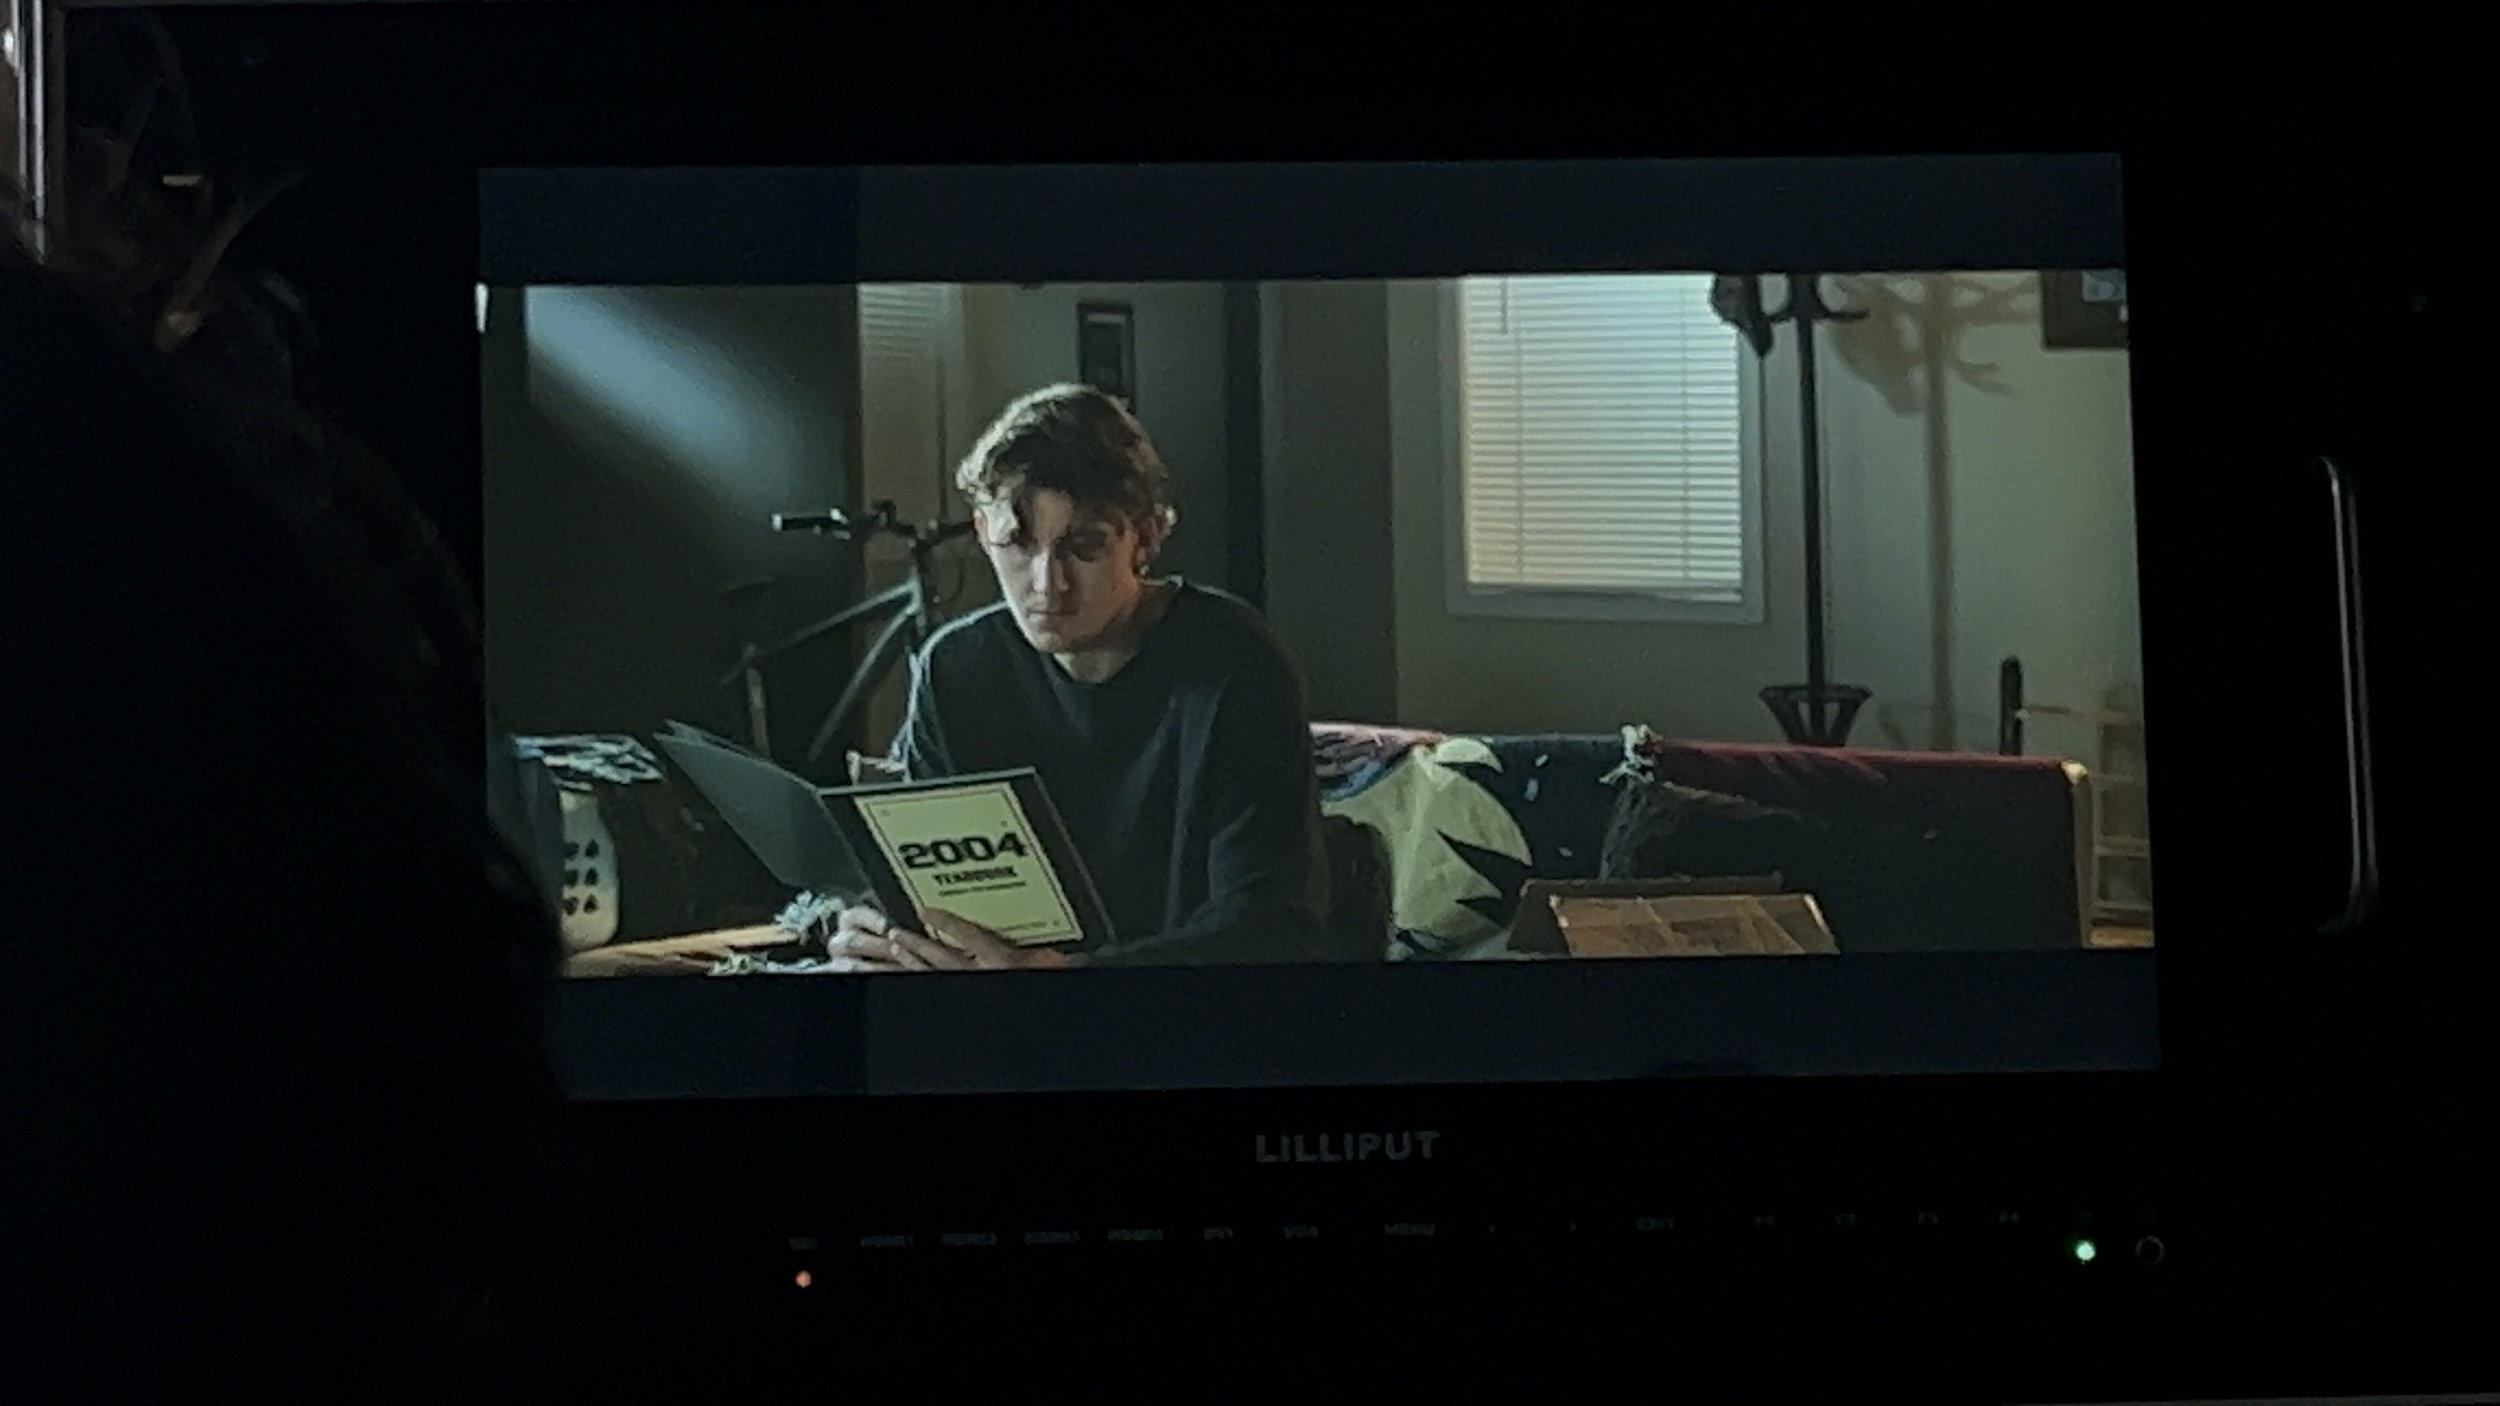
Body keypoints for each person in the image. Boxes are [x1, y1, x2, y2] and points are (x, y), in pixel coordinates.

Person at [823, 384, 1331, 970]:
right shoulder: (958, 666)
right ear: (984, 535)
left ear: (1145, 537)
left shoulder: (1233, 662)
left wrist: (1063, 977)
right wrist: (875, 927)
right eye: (1016, 542)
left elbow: (1271, 928)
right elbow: (916, 873)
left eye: (1084, 547)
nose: (1046, 584)